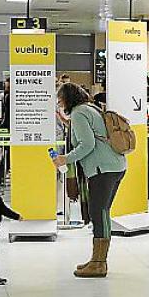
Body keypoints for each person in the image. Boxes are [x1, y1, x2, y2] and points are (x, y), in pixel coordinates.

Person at [51, 83, 126, 278]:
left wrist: (65, 158)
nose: (59, 103)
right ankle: (98, 260)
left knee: (98, 213)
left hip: (102, 169)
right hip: (115, 166)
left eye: (60, 99)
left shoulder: (78, 113)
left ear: (68, 98)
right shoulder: (91, 108)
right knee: (102, 213)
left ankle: (99, 263)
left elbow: (87, 144)